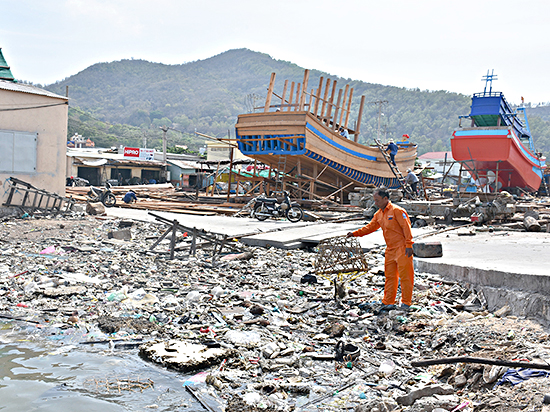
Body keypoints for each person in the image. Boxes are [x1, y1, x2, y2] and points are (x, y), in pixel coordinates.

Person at [347, 187, 414, 311]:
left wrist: (409, 245)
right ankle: (388, 302)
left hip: (402, 248)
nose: (375, 203)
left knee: (406, 277)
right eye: (374, 200)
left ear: (385, 199)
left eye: (377, 200)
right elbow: (370, 227)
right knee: (390, 277)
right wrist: (355, 234)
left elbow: (406, 228)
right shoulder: (378, 214)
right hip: (390, 250)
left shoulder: (397, 211)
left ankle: (406, 303)